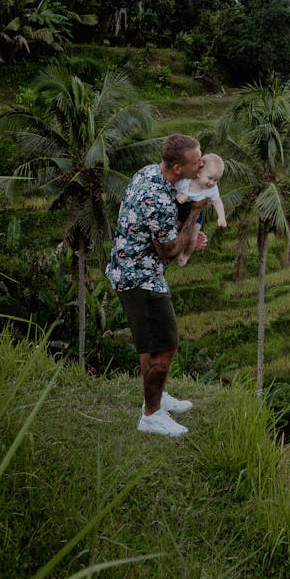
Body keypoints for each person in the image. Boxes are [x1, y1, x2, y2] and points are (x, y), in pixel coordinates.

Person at [105, 133, 207, 437]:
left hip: (132, 270)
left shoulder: (149, 172)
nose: (201, 164)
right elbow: (170, 251)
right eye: (195, 161)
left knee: (151, 343)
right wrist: (196, 214)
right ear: (176, 167)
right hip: (141, 278)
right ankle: (151, 415)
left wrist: (187, 235)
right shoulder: (159, 198)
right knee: (165, 345)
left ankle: (157, 397)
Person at [174, 153, 227, 266]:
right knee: (176, 232)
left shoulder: (211, 189)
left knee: (193, 238)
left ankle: (186, 255)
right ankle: (177, 251)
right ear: (198, 173)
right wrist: (179, 194)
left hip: (197, 212)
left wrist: (221, 217)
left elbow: (217, 202)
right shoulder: (186, 181)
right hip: (180, 209)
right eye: (210, 178)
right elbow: (172, 186)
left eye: (216, 180)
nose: (212, 183)